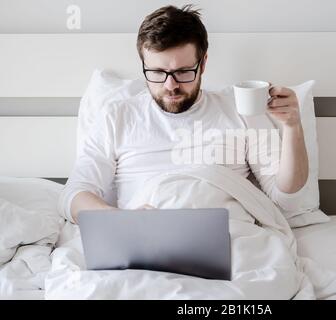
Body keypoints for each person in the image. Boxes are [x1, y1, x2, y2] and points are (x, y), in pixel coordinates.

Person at [58, 4, 309, 224]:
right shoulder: (116, 116)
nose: (170, 85)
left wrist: (293, 127)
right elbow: (73, 196)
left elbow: (286, 200)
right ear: (143, 65)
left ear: (204, 63)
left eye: (183, 72)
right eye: (156, 72)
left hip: (231, 241)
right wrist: (119, 219)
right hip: (144, 243)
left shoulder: (241, 110)